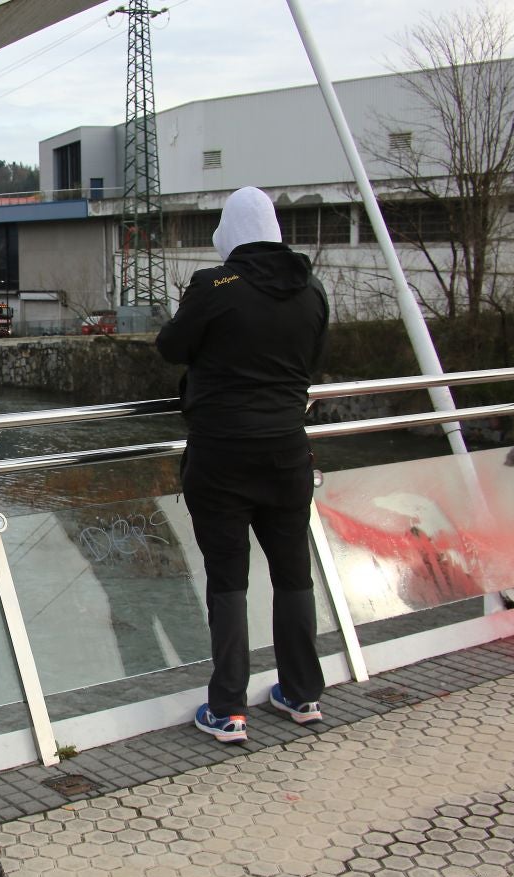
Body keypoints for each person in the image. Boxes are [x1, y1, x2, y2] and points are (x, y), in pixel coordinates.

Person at [155, 186, 329, 744]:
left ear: (228, 233)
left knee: (229, 580)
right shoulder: (312, 289)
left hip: (222, 456)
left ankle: (228, 708)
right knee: (293, 573)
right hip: (288, 453)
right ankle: (302, 694)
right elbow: (312, 359)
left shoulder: (215, 286)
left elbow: (171, 347)